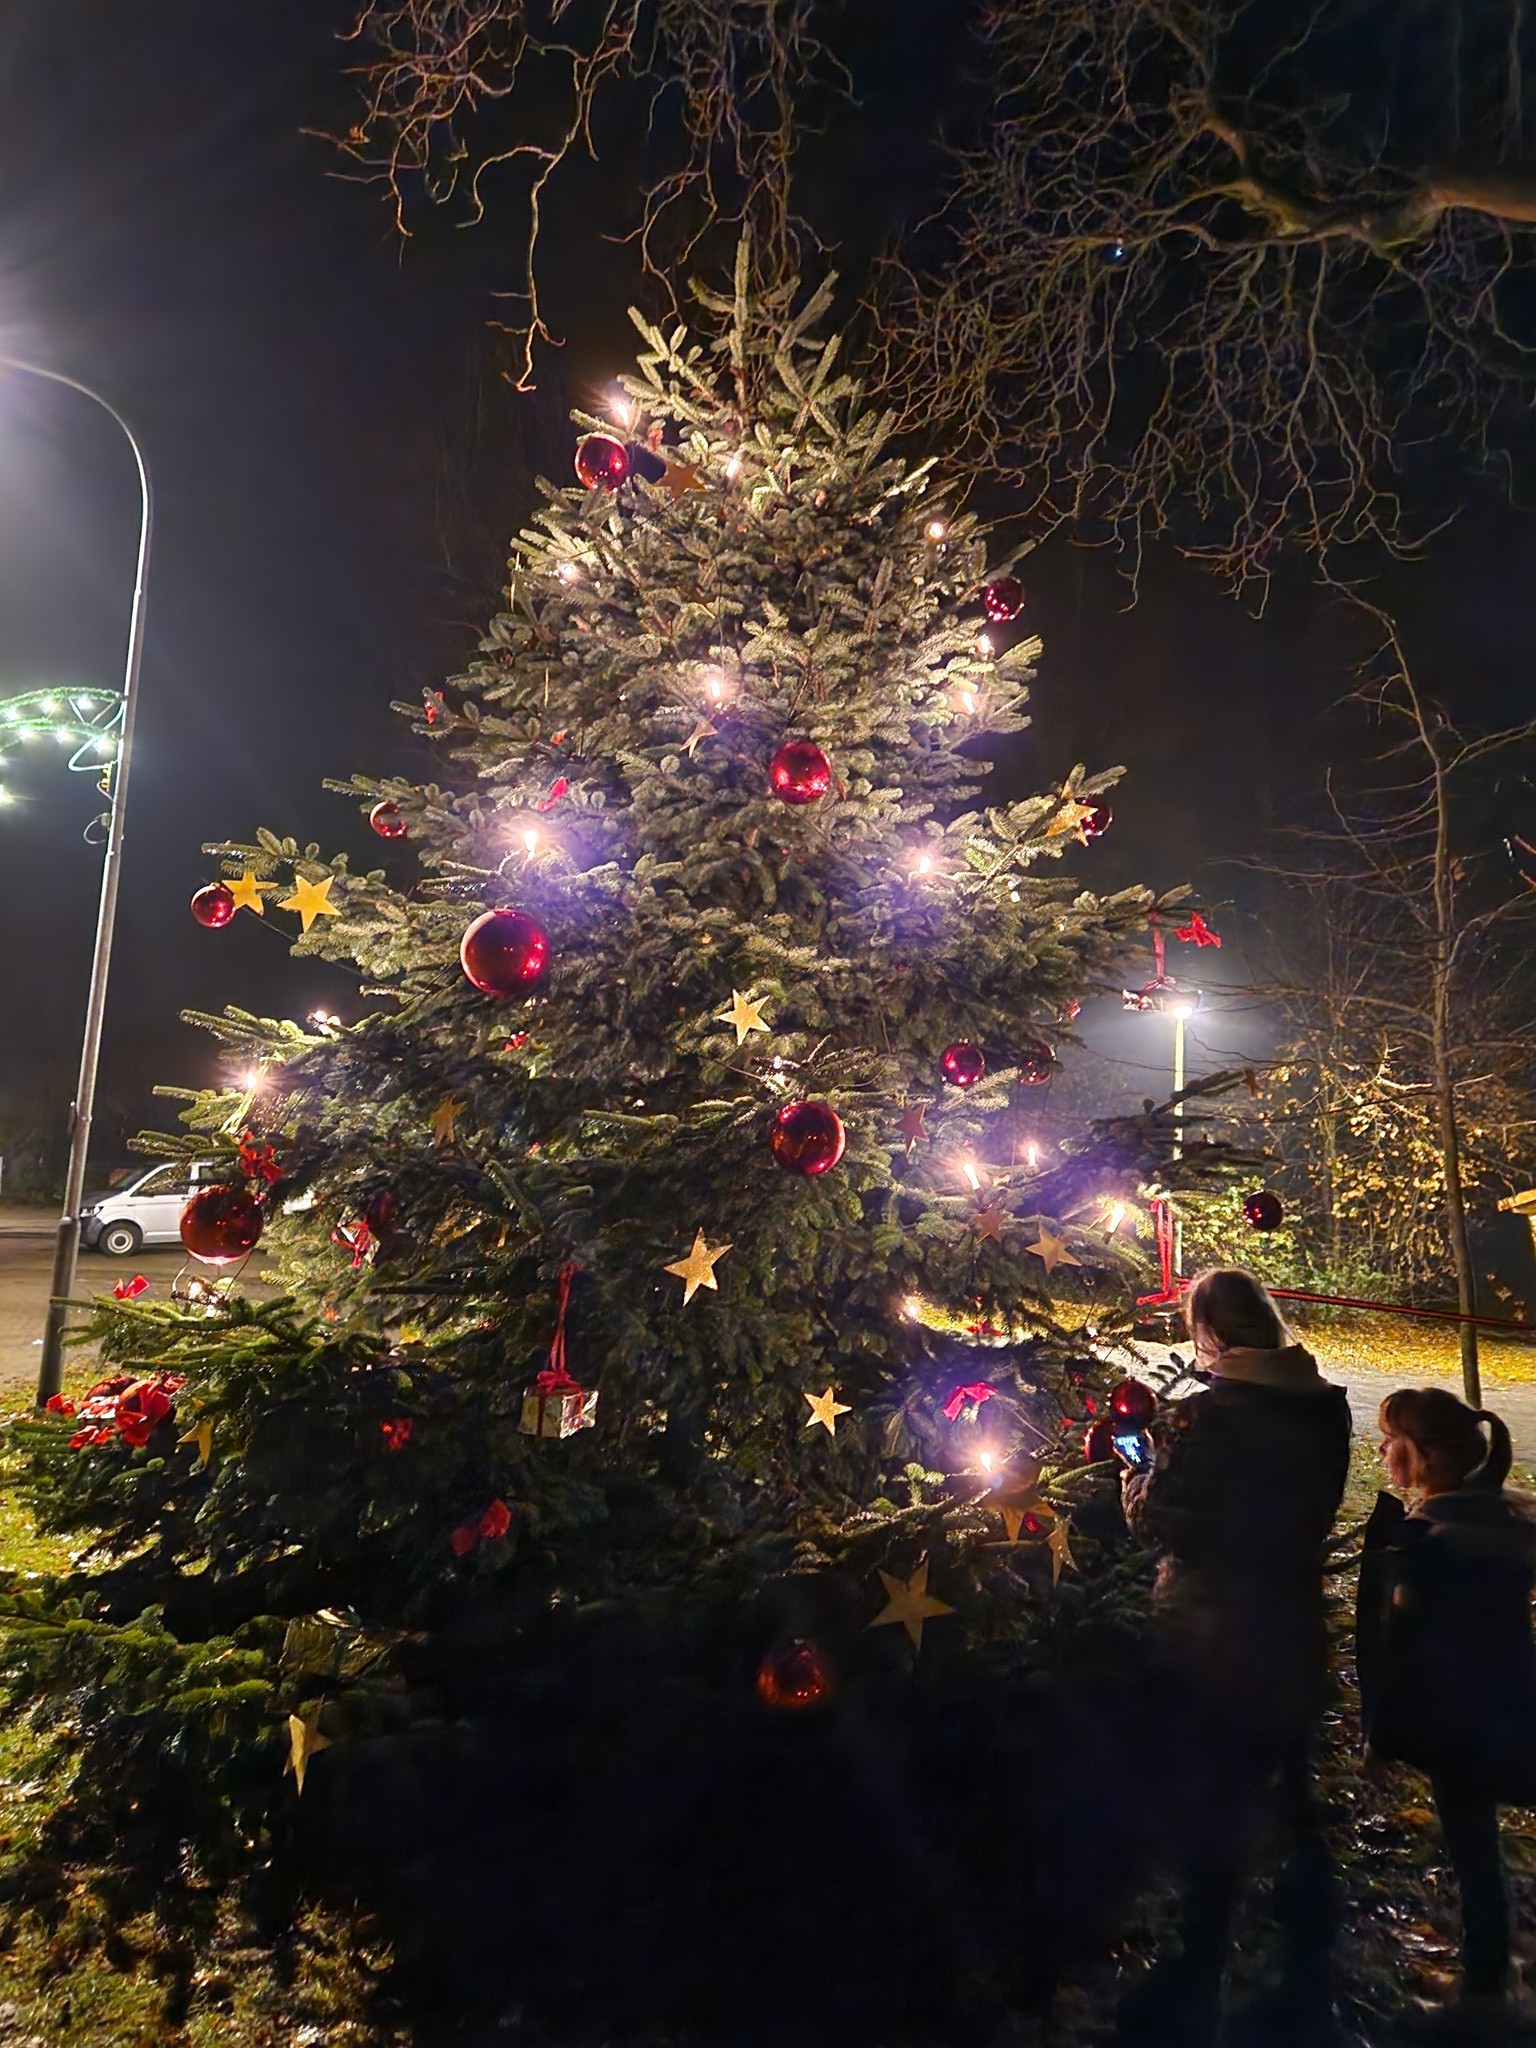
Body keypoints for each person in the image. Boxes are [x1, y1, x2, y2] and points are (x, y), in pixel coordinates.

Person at [1116, 1267, 1354, 2045]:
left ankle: (1201, 1965)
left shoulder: (1204, 1418)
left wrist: (1135, 1480)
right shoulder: (1323, 1404)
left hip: (1214, 1628)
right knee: (1289, 1774)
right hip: (1290, 1612)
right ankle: (1310, 1945)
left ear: (1209, 1332)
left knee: (1215, 1792)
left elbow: (1165, 1521)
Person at [1358, 1388, 1536, 2035]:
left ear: (1425, 1456)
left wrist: (1382, 1734)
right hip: (1514, 1698)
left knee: (1473, 1849)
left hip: (1457, 1720)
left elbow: (1402, 1649)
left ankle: (1486, 1986)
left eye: (1391, 1441)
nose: (1382, 1451)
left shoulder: (1425, 1541)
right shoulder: (1507, 1521)